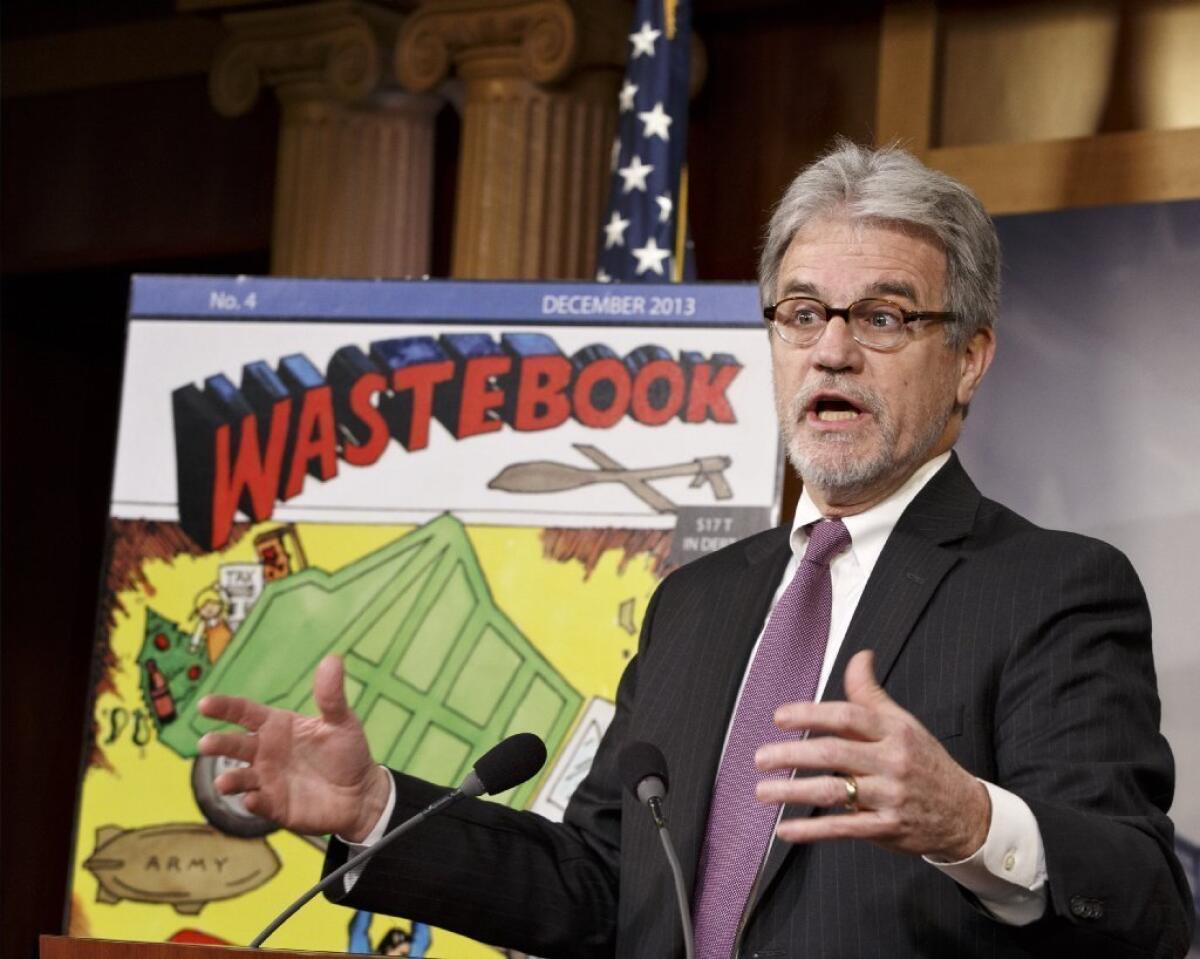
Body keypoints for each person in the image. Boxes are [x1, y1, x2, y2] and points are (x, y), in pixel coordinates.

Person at [198, 141, 1195, 958]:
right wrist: (375, 807)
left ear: (969, 356)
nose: (832, 349)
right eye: (802, 313)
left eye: (882, 316)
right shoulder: (700, 600)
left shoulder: (1051, 587)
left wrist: (973, 822)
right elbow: (599, 886)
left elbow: (1148, 898)